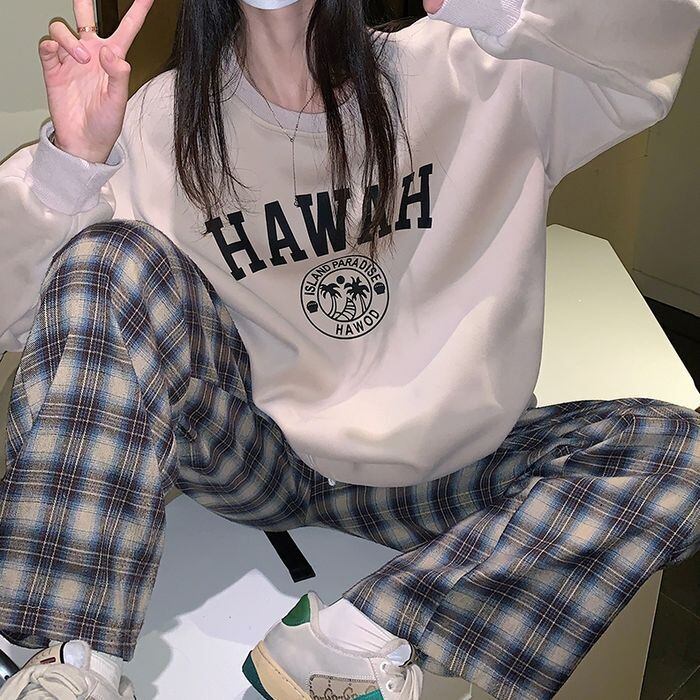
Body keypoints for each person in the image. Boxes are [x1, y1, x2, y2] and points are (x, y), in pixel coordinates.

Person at [0, 0, 699, 697]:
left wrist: (502, 5)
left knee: (680, 451)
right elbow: (27, 321)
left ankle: (357, 637)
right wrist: (72, 165)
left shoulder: (475, 68)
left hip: (445, 471)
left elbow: (656, 45)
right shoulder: (163, 122)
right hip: (264, 459)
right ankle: (68, 658)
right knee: (108, 260)